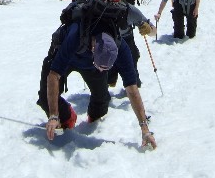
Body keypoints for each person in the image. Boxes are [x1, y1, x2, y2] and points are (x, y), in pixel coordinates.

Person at [37, 20, 157, 149]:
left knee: (101, 102)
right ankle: (67, 118)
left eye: (106, 68)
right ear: (93, 48)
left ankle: (92, 118)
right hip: (66, 57)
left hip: (89, 65)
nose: (102, 70)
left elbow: (132, 89)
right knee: (46, 98)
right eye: (100, 66)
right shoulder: (75, 37)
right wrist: (54, 115)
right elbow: (54, 76)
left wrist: (145, 128)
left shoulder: (121, 47)